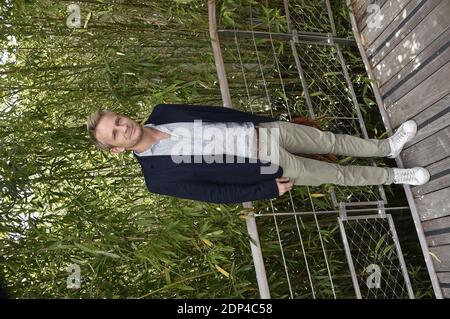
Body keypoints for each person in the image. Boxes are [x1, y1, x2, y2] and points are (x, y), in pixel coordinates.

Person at [86, 103, 429, 204]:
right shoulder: (157, 178)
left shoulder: (163, 113)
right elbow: (213, 193)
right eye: (114, 134)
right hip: (266, 166)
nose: (123, 128)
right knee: (337, 175)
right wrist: (264, 190)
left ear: (122, 114)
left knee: (330, 142)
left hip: (264, 130)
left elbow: (215, 113)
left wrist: (265, 120)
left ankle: (387, 147)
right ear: (116, 149)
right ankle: (397, 177)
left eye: (117, 120)